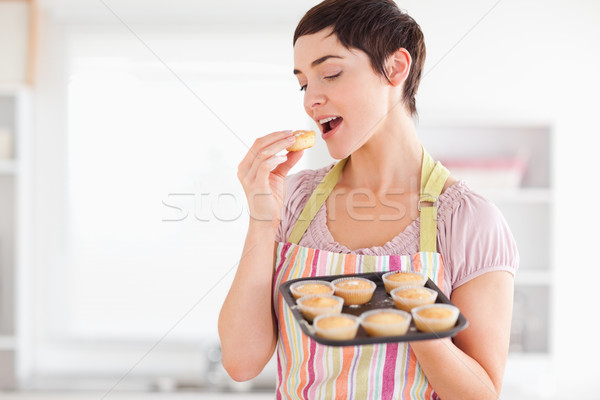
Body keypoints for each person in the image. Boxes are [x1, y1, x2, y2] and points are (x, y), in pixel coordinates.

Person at [218, 0, 518, 398]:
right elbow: (241, 362)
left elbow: (482, 394)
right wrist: (261, 219)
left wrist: (407, 316)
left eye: (330, 73)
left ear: (395, 68)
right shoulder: (293, 199)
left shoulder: (469, 220)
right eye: (304, 83)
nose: (310, 101)